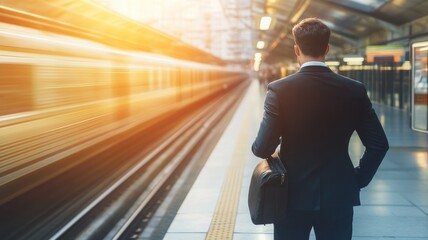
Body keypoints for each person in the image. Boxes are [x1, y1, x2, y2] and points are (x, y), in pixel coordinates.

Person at [252, 18, 389, 240]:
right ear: (327, 49)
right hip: (339, 195)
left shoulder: (279, 90)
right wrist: (357, 179)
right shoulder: (354, 90)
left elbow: (261, 148)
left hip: (291, 195)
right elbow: (379, 145)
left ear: (297, 49)